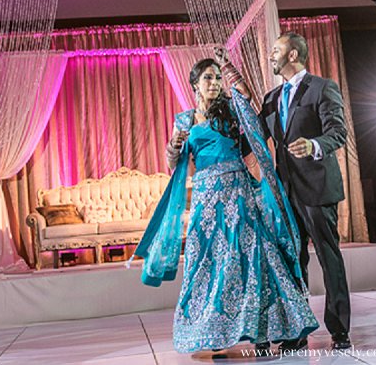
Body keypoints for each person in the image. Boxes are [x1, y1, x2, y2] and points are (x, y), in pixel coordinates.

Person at [131, 55, 318, 354]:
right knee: (205, 262)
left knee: (251, 258)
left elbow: (246, 96)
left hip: (238, 194)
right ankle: (214, 333)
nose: (215, 83)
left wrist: (230, 67)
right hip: (207, 201)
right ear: (194, 83)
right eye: (208, 77)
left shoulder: (231, 110)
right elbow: (175, 164)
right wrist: (173, 147)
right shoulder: (184, 120)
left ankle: (261, 334)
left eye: (218, 78)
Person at [259, 32, 351, 351]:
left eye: (275, 50)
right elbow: (254, 138)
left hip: (318, 188)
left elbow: (338, 133)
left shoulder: (323, 88)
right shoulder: (271, 98)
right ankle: (297, 328)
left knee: (329, 258)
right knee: (293, 263)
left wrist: (313, 145)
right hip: (286, 194)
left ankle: (339, 329)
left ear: (293, 55)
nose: (271, 55)